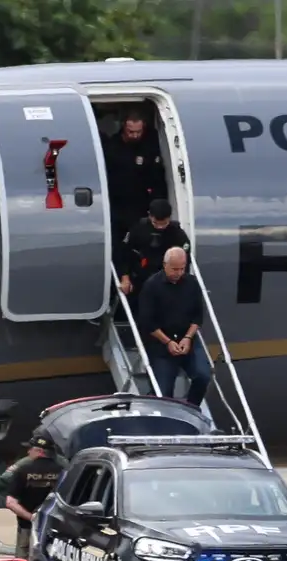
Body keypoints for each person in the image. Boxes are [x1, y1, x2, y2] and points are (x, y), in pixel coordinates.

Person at [138, 246, 212, 405]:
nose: (178, 273)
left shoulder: (192, 283)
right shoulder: (151, 286)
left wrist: (188, 337)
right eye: (174, 269)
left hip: (187, 340)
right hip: (161, 345)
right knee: (164, 393)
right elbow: (147, 322)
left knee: (203, 375)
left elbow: (198, 316)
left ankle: (192, 407)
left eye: (182, 269)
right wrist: (168, 342)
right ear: (165, 265)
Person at [104, 108, 168, 245]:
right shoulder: (113, 148)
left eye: (139, 132)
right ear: (123, 127)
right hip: (119, 204)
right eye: (131, 132)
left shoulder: (150, 143)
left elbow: (157, 175)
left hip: (142, 203)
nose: (135, 136)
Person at [6, 428, 66, 561]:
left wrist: (32, 517)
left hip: (27, 529)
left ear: (39, 451)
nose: (28, 452)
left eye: (31, 449)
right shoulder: (63, 470)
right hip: (56, 531)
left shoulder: (22, 469)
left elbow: (10, 502)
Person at [118, 199, 191, 300]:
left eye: (164, 223)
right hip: (141, 277)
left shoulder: (177, 234)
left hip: (167, 280)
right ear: (149, 215)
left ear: (169, 218)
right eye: (156, 223)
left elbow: (185, 260)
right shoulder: (138, 229)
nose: (160, 227)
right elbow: (125, 253)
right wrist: (125, 277)